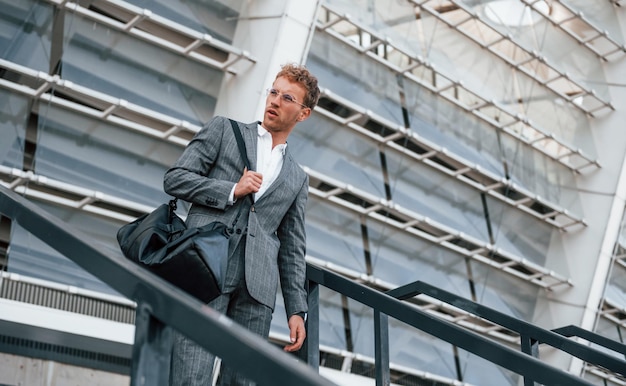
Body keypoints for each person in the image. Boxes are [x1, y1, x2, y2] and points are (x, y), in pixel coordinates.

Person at [164, 63, 320, 385]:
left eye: (287, 98)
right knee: (190, 373)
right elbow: (176, 178)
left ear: (303, 114)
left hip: (257, 291)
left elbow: (292, 246)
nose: (275, 101)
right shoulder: (225, 130)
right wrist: (231, 190)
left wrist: (296, 309)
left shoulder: (297, 177)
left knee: (242, 382)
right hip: (209, 269)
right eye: (273, 92)